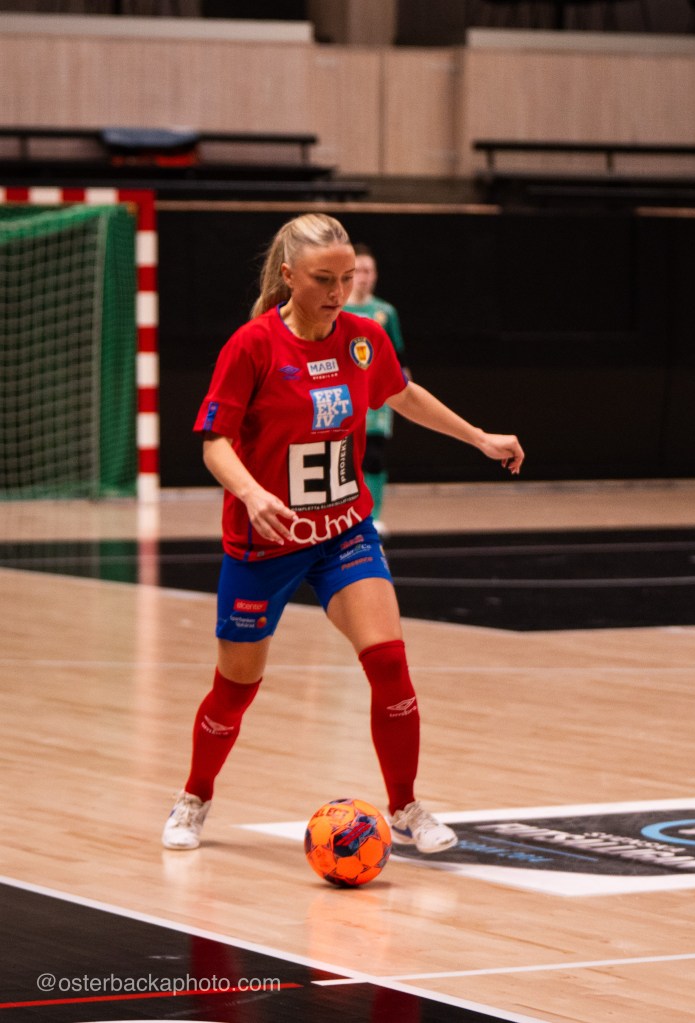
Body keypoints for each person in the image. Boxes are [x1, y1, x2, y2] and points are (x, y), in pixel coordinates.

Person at [162, 213, 524, 855]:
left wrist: (478, 437)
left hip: (342, 532)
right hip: (265, 543)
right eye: (323, 279)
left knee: (389, 662)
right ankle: (195, 796)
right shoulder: (253, 345)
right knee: (235, 690)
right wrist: (252, 493)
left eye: (347, 277)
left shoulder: (364, 338)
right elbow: (215, 442)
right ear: (288, 276)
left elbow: (401, 393)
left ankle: (405, 806)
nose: (338, 292)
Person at [344, 244, 405, 534]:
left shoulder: (385, 312)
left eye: (369, 271)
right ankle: (348, 514)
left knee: (374, 457)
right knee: (347, 459)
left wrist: (405, 396)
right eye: (359, 271)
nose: (364, 277)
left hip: (377, 399)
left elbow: (399, 358)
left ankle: (373, 514)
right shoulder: (337, 310)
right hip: (346, 395)